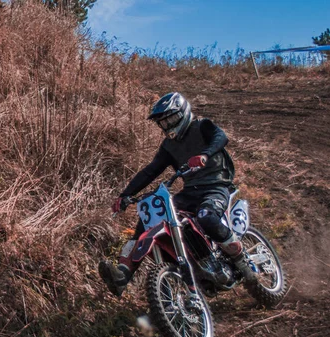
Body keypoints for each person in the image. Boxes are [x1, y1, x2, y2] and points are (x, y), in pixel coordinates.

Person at [99, 92, 256, 298]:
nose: (167, 125)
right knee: (148, 218)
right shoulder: (169, 146)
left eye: (171, 119)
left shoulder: (202, 126)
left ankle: (242, 259)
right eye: (163, 123)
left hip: (217, 185)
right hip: (191, 191)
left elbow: (221, 137)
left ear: (183, 112)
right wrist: (125, 195)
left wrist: (204, 155)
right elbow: (150, 170)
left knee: (206, 216)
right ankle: (123, 274)